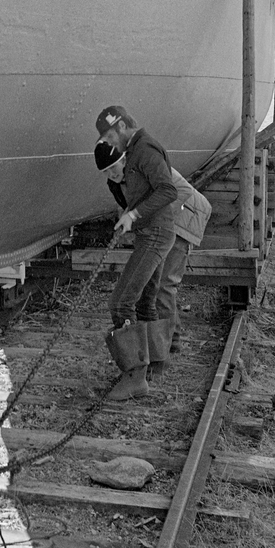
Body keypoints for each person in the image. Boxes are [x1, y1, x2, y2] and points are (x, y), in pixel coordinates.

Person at [94, 142, 211, 375]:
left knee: (165, 285)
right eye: (105, 171)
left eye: (114, 167)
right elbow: (130, 205)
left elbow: (184, 191)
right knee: (151, 289)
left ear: (125, 159)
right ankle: (160, 348)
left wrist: (154, 213)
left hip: (185, 218)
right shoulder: (118, 181)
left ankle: (170, 344)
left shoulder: (146, 165)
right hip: (164, 223)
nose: (111, 174)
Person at [93, 105, 177, 400]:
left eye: (108, 136)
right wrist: (127, 215)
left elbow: (168, 191)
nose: (108, 143)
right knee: (145, 300)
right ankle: (155, 364)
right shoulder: (133, 152)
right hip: (151, 232)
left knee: (120, 302)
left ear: (120, 128)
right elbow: (139, 191)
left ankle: (135, 378)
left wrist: (134, 214)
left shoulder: (144, 150)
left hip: (156, 233)